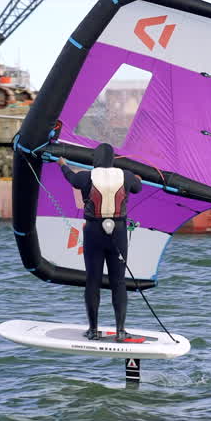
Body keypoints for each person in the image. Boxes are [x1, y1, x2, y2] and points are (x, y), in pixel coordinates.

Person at [58, 143, 142, 341]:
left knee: (93, 281)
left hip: (94, 232)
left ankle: (93, 330)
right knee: (119, 281)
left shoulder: (87, 176)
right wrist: (137, 177)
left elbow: (71, 178)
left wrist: (62, 163)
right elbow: (138, 187)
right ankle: (120, 331)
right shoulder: (126, 176)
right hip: (118, 233)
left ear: (95, 159)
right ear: (113, 160)